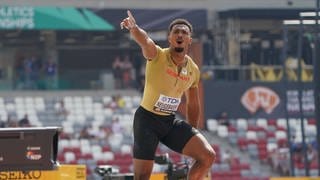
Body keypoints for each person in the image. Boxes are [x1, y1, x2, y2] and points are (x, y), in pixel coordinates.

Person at [120, 10, 216, 180]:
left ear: (189, 40)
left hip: (169, 122)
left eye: (184, 32)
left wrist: (191, 133)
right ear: (169, 38)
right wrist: (134, 28)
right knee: (142, 177)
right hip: (146, 121)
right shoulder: (157, 55)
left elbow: (193, 104)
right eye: (176, 32)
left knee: (207, 156)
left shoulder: (193, 70)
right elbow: (145, 41)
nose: (180, 34)